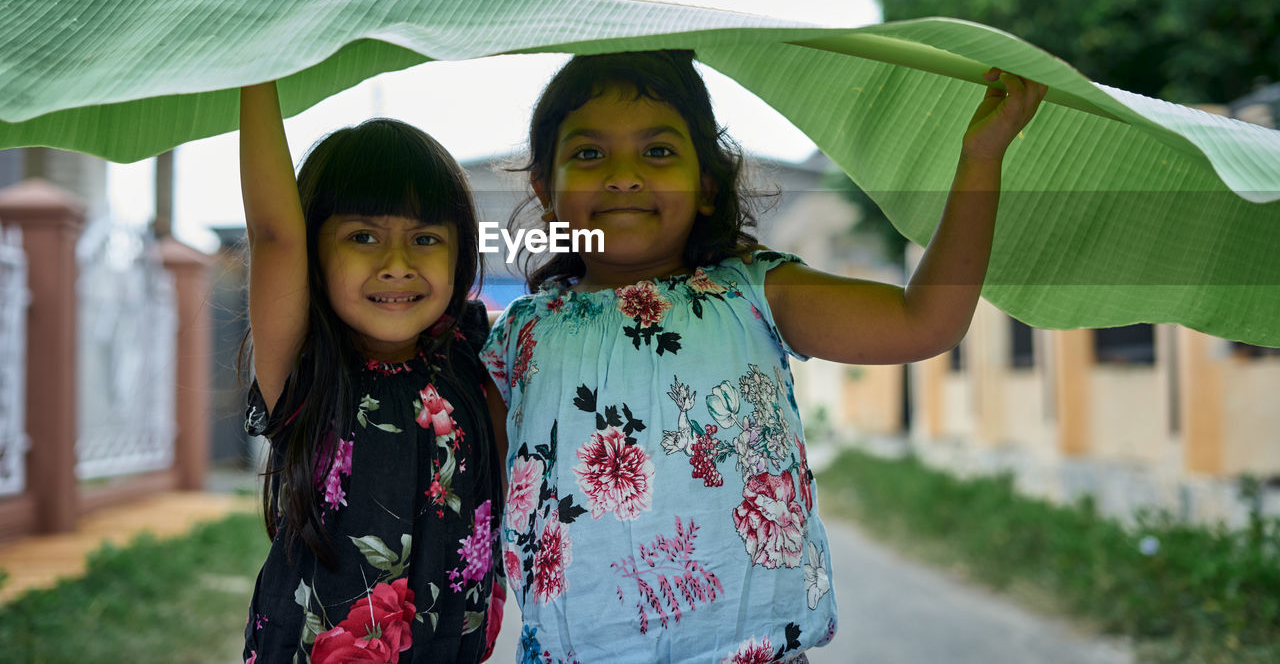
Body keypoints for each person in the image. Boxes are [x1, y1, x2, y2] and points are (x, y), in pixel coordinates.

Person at [480, 50, 1045, 663]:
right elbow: (472, 490)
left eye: (659, 152)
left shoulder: (755, 291)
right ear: (546, 191)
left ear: (707, 187)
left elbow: (926, 320)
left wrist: (981, 158)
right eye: (589, 154)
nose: (624, 175)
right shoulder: (517, 337)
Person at [238, 81, 507, 663]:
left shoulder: (471, 355)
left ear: (459, 254)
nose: (397, 264)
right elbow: (273, 233)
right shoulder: (304, 366)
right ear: (314, 252)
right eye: (363, 237)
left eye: (425, 238)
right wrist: (256, 70)